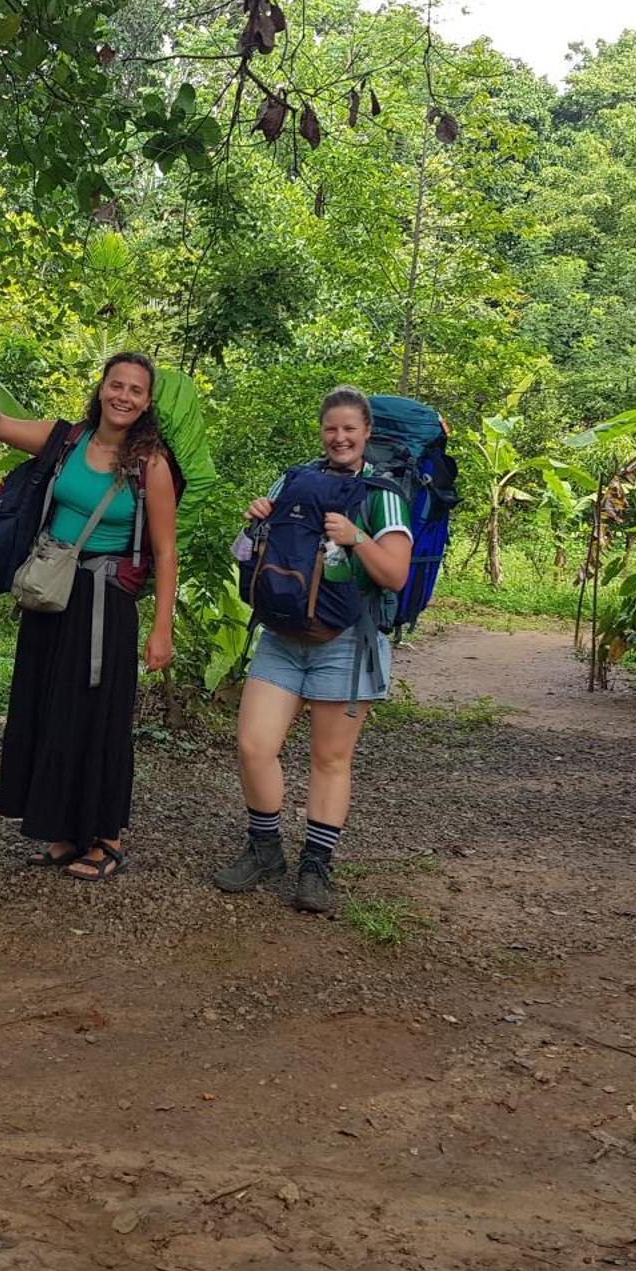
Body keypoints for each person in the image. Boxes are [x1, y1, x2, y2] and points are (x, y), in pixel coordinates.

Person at [0, 333, 177, 881]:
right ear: (101, 389)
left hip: (107, 601)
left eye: (136, 390)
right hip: (50, 593)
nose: (124, 396)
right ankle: (62, 833)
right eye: (116, 385)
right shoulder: (66, 440)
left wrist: (161, 629)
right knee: (46, 708)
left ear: (147, 402)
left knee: (97, 718)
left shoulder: (151, 464)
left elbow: (167, 550)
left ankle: (105, 837)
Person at [215, 387, 413, 914]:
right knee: (254, 746)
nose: (340, 437)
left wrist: (355, 538)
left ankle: (316, 867)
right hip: (282, 636)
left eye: (350, 429)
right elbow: (254, 549)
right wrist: (255, 517)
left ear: (367, 432)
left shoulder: (383, 493)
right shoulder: (295, 479)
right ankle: (265, 849)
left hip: (348, 643)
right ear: (321, 431)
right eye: (332, 429)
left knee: (329, 759)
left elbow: (394, 575)